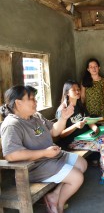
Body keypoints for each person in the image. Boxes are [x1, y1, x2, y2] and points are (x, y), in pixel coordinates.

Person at [0, 85, 86, 213]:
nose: (36, 101)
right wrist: (44, 153)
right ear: (18, 103)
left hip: (51, 157)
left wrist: (64, 118)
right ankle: (58, 205)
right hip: (35, 165)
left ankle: (55, 195)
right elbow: (11, 155)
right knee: (77, 178)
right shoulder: (12, 124)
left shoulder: (36, 117)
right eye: (31, 99)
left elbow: (55, 131)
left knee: (82, 164)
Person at [56, 80, 104, 186]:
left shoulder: (80, 105)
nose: (77, 92)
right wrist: (75, 126)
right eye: (74, 90)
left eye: (78, 89)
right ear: (67, 92)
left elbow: (89, 121)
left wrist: (95, 128)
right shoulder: (62, 109)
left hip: (85, 138)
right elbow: (61, 134)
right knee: (103, 142)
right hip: (72, 142)